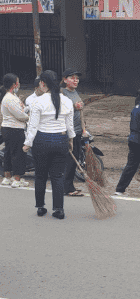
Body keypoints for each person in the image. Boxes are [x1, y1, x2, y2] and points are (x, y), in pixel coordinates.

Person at [22, 71, 75, 219]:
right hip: (61, 140)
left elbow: (33, 126)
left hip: (42, 141)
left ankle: (40, 207)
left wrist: (27, 143)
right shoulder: (67, 101)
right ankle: (59, 209)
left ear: (42, 83)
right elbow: (69, 125)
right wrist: (71, 140)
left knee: (40, 176)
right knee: (57, 176)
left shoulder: (37, 102)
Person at [61, 68, 87, 197]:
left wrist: (84, 128)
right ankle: (67, 187)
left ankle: (69, 186)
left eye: (77, 78)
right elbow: (60, 109)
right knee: (70, 160)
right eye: (72, 78)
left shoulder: (75, 92)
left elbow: (80, 111)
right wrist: (73, 106)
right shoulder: (62, 93)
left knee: (75, 158)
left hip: (77, 130)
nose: (75, 80)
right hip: (67, 131)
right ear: (65, 80)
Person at [1, 73, 29, 188]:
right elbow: (20, 115)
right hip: (15, 128)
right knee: (18, 153)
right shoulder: (10, 98)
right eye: (18, 82)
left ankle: (7, 177)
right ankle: (17, 178)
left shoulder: (10, 97)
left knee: (8, 152)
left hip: (7, 128)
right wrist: (28, 116)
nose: (19, 84)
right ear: (14, 84)